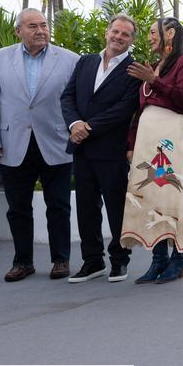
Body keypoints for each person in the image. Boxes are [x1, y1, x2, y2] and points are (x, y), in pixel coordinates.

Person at [0, 8, 79, 282]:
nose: (40, 31)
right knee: (18, 208)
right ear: (18, 31)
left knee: (58, 205)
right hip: (13, 144)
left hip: (56, 142)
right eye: (33, 26)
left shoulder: (70, 59)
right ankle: (22, 262)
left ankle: (61, 259)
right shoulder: (0, 59)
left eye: (44, 25)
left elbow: (78, 101)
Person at [121, 17, 183, 283]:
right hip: (148, 142)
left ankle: (177, 260)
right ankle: (158, 261)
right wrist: (132, 145)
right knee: (151, 198)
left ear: (170, 34)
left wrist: (153, 81)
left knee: (170, 196)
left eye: (152, 32)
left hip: (172, 140)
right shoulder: (155, 66)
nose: (149, 37)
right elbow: (140, 110)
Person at [60, 15, 141, 283]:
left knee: (116, 208)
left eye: (125, 34)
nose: (118, 37)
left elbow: (124, 108)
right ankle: (92, 261)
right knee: (86, 207)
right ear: (107, 32)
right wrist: (74, 124)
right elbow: (67, 96)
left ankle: (119, 261)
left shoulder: (133, 69)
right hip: (81, 149)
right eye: (115, 31)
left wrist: (88, 127)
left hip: (111, 150)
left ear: (132, 40)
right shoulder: (86, 61)